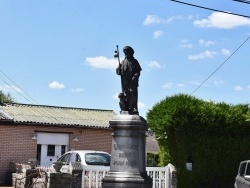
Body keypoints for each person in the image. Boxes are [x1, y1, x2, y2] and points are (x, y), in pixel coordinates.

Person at [116, 46, 142, 114]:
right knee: (125, 95)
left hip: (133, 82)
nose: (126, 53)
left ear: (131, 53)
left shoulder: (135, 61)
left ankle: (134, 108)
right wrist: (118, 68)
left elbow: (138, 71)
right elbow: (118, 72)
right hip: (125, 82)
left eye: (127, 52)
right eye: (125, 52)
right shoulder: (123, 62)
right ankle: (125, 108)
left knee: (133, 94)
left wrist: (135, 77)